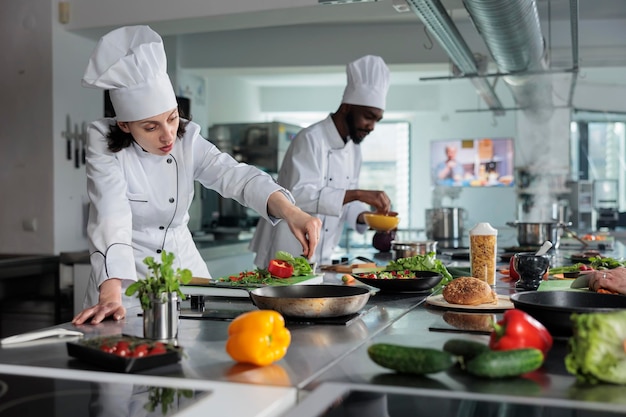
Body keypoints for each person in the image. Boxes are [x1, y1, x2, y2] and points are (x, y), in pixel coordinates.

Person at [72, 26, 321, 325]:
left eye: (172, 117)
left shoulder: (187, 139)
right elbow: (110, 214)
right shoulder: (103, 141)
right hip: (126, 282)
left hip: (185, 271)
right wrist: (111, 295)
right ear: (125, 125)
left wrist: (292, 212)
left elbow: (236, 176)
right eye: (150, 127)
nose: (168, 136)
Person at [249, 55, 392, 267]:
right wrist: (360, 194)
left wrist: (371, 218)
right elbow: (297, 195)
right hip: (285, 252)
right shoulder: (310, 138)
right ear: (346, 108)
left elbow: (344, 203)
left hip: (321, 256)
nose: (372, 126)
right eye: (368, 117)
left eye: (376, 120)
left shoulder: (354, 149)